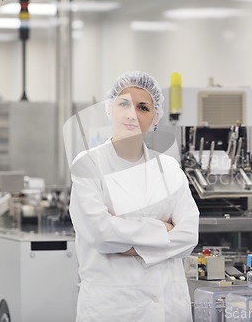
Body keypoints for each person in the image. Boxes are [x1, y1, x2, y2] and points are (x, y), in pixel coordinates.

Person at [68, 71, 199, 322]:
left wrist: (127, 240)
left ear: (155, 117)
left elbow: (189, 235)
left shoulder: (169, 168)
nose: (132, 114)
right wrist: (163, 230)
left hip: (168, 307)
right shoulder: (88, 165)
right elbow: (101, 235)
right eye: (124, 104)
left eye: (143, 107)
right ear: (110, 109)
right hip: (114, 309)